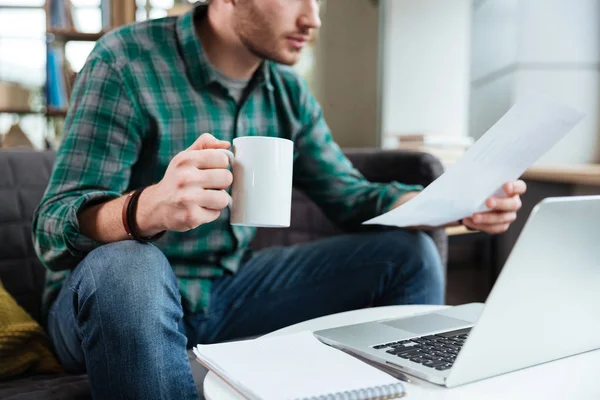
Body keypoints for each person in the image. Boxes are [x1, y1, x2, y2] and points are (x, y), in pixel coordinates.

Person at [32, 0, 526, 398]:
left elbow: (350, 197)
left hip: (224, 292)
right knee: (129, 267)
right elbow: (52, 227)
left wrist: (452, 202)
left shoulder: (286, 91)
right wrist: (146, 208)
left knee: (407, 254)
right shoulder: (126, 60)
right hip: (114, 301)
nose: (312, 17)